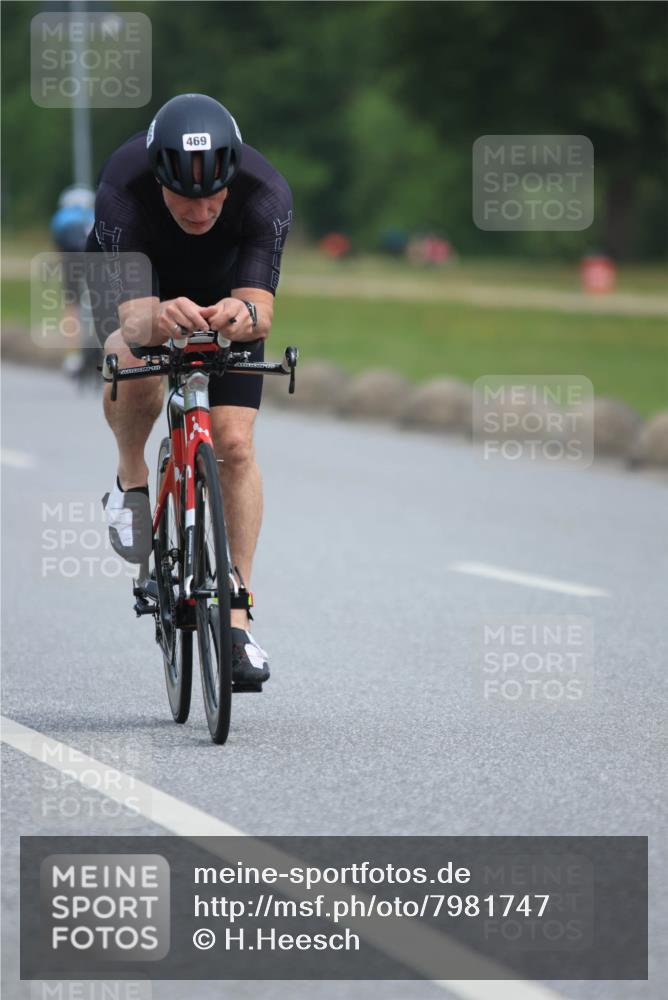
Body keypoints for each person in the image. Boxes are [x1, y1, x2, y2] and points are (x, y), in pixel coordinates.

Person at [87, 93, 293, 687]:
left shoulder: (266, 193)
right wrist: (155, 317)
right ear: (158, 181)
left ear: (232, 180)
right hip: (142, 289)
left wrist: (239, 313)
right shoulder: (122, 189)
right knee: (136, 365)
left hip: (225, 287)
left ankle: (236, 620)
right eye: (184, 198)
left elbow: (261, 311)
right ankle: (131, 479)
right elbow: (132, 319)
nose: (200, 211)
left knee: (233, 443)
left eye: (212, 198)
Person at [50, 185, 95, 377]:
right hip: (93, 258)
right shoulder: (93, 213)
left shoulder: (61, 218)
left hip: (70, 259)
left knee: (72, 306)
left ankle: (73, 357)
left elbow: (59, 250)